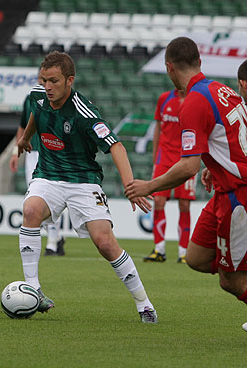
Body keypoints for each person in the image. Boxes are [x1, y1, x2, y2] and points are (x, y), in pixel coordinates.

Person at [16, 51, 158, 323]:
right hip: (48, 175)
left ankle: (144, 304)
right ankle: (34, 290)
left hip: (83, 180)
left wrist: (130, 184)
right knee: (31, 210)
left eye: (54, 81)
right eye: (44, 80)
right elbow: (36, 113)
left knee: (105, 243)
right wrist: (25, 139)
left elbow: (116, 146)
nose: (47, 86)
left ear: (70, 80)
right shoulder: (37, 95)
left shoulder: (85, 112)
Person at [125, 37, 247, 331]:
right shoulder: (222, 89)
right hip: (223, 191)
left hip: (238, 195)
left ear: (170, 68)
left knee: (229, 280)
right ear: (199, 62)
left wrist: (149, 186)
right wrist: (213, 163)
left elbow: (187, 167)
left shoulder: (193, 102)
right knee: (196, 257)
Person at [144, 89, 197, 264]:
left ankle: (183, 252)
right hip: (164, 158)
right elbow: (158, 127)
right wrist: (155, 157)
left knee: (184, 204)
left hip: (186, 158)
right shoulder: (164, 98)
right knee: (158, 201)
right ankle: (159, 250)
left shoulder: (195, 100)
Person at [9, 93, 65, 256]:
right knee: (35, 197)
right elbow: (22, 127)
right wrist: (15, 152)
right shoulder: (30, 99)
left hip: (52, 152)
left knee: (52, 196)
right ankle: (56, 238)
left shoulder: (61, 99)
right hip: (32, 153)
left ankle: (53, 242)